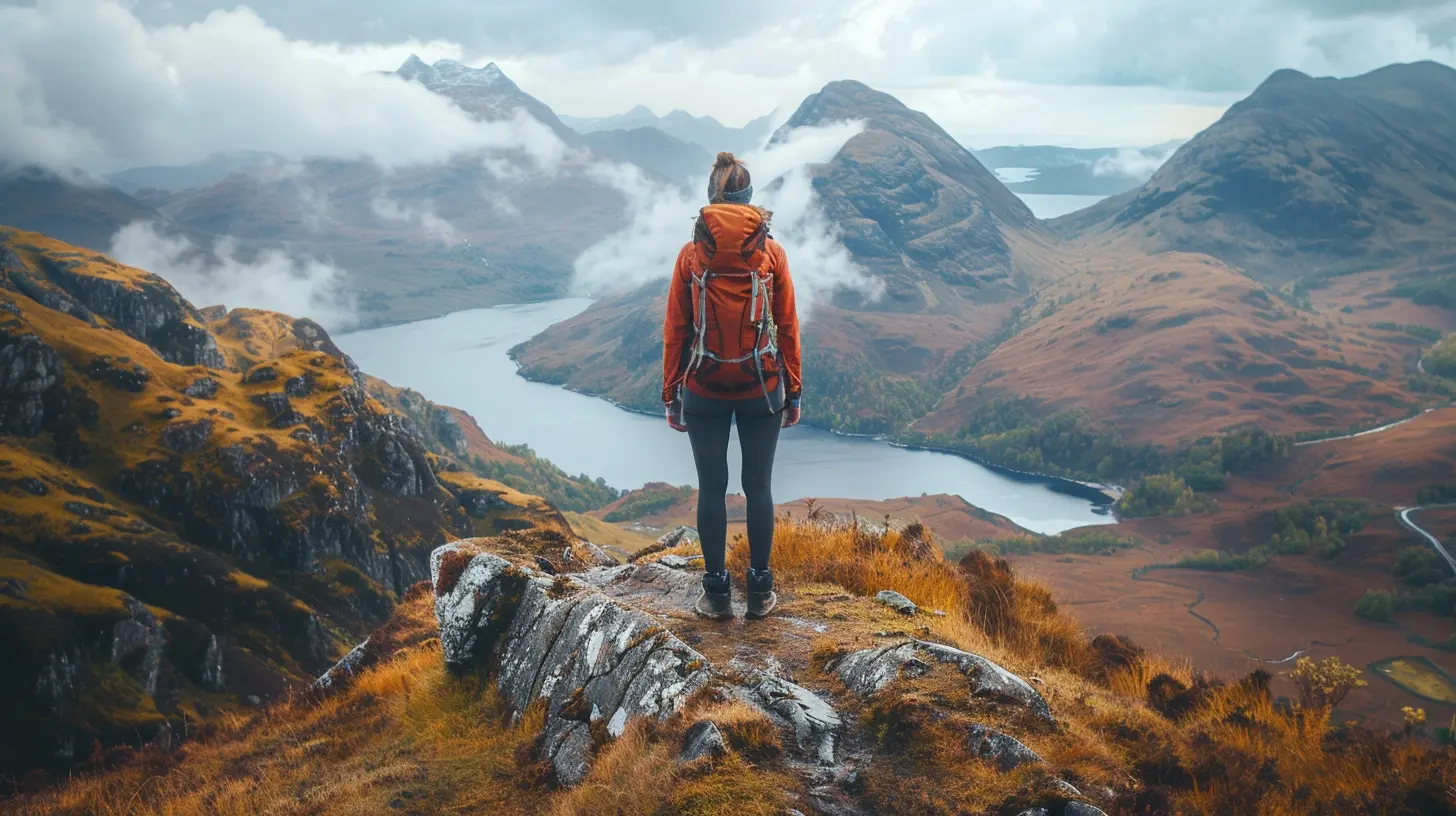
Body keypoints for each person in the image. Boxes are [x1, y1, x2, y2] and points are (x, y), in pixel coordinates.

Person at [661, 151, 802, 621]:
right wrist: (794, 390)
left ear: (710, 198)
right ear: (749, 199)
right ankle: (760, 591)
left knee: (711, 488)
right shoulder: (772, 253)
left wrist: (671, 394)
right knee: (758, 486)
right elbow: (788, 325)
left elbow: (676, 330)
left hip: (703, 388)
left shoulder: (690, 256)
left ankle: (717, 593)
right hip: (762, 387)